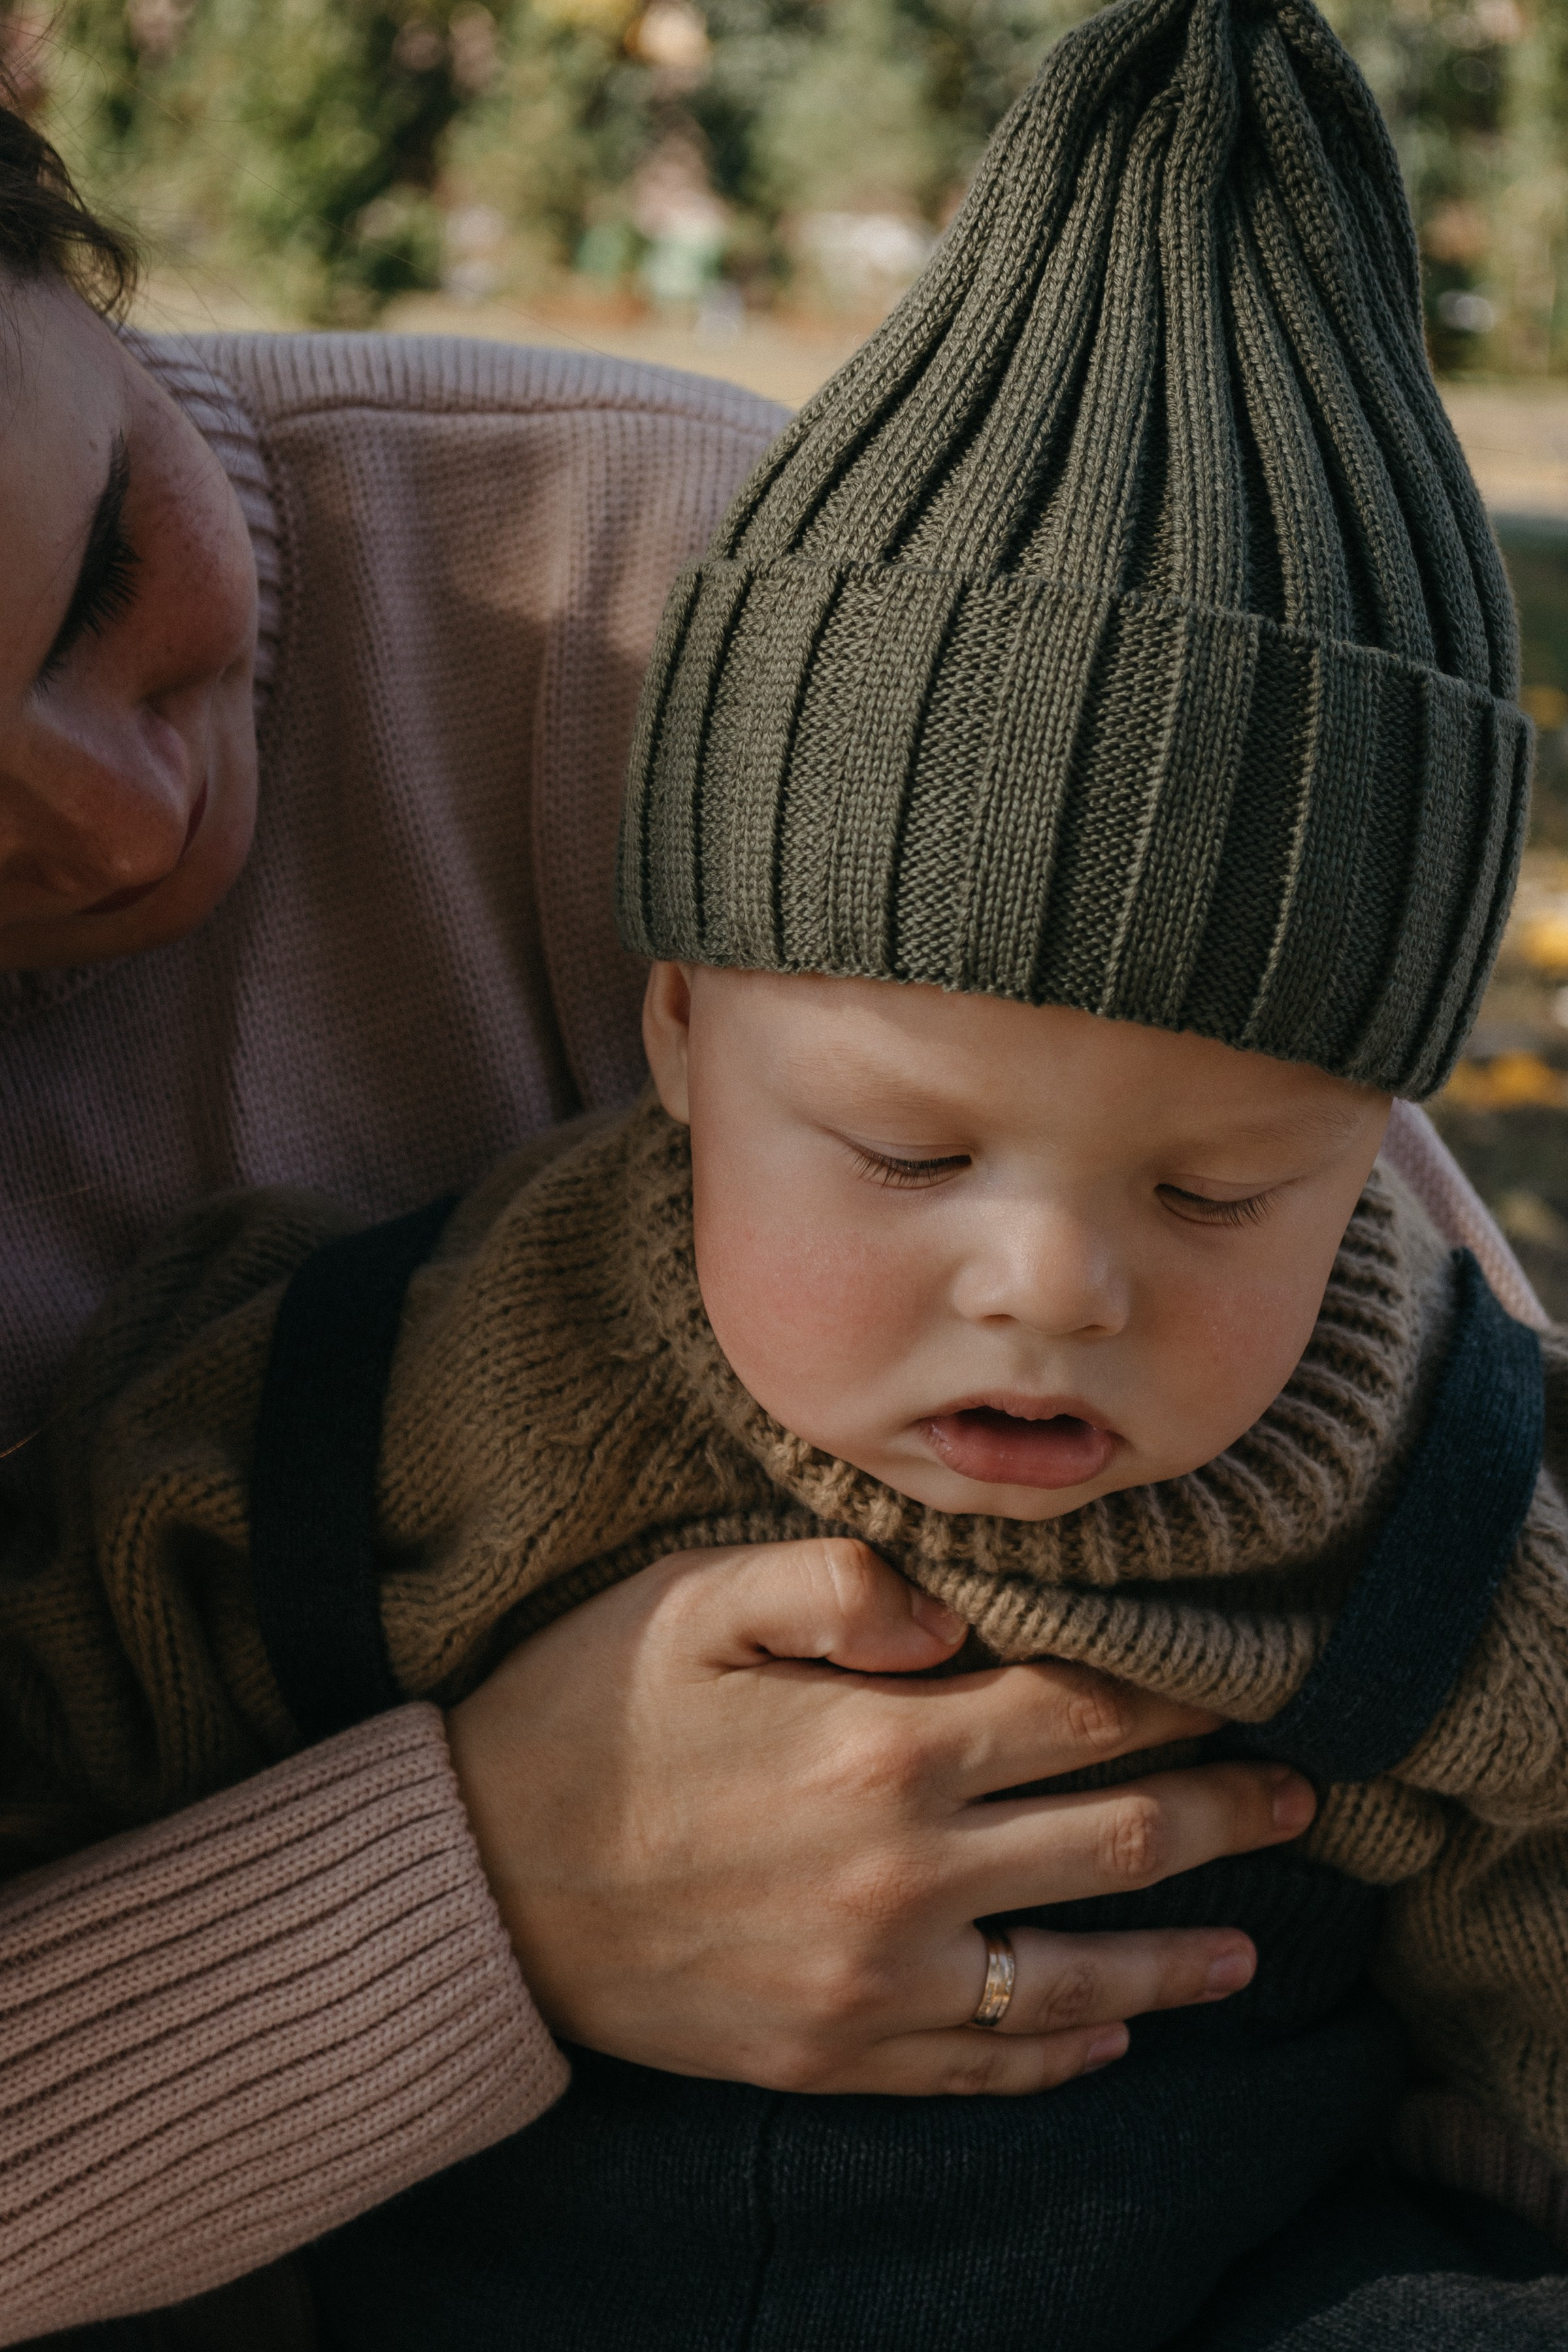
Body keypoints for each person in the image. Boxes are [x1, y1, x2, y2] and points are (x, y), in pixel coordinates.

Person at [12, 0, 1568, 2344]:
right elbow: (95, 1647)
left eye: (89, 577)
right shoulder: (384, 1390)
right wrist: (458, 1904)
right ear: (677, 1025)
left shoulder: (700, 591)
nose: (1050, 1282)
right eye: (907, 1151)